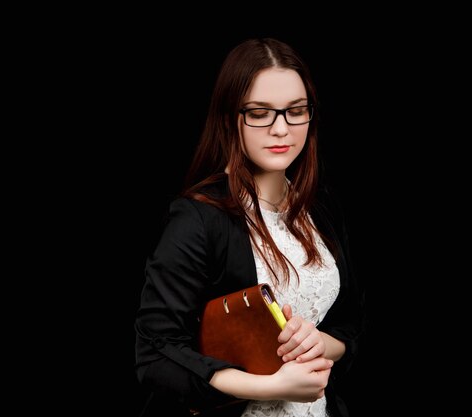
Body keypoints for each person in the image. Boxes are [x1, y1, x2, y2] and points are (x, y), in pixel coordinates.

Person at [134, 37, 365, 417]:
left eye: (295, 110)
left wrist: (315, 343)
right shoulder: (198, 217)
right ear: (230, 117)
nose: (281, 129)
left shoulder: (319, 207)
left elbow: (350, 324)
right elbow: (156, 354)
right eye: (260, 113)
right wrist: (271, 386)